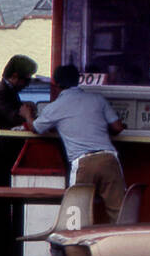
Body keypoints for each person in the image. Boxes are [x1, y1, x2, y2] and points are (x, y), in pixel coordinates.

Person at [26, 64, 126, 222]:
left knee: (77, 214)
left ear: (56, 84)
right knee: (119, 213)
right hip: (108, 158)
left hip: (83, 163)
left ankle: (77, 247)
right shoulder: (97, 99)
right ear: (78, 80)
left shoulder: (55, 107)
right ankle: (121, 245)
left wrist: (26, 115)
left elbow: (36, 128)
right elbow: (118, 127)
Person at [0, 54, 38, 256]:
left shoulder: (9, 91)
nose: (27, 83)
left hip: (5, 153)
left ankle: (1, 252)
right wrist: (25, 113)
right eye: (26, 79)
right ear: (14, 76)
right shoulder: (1, 92)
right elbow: (12, 117)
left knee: (3, 205)